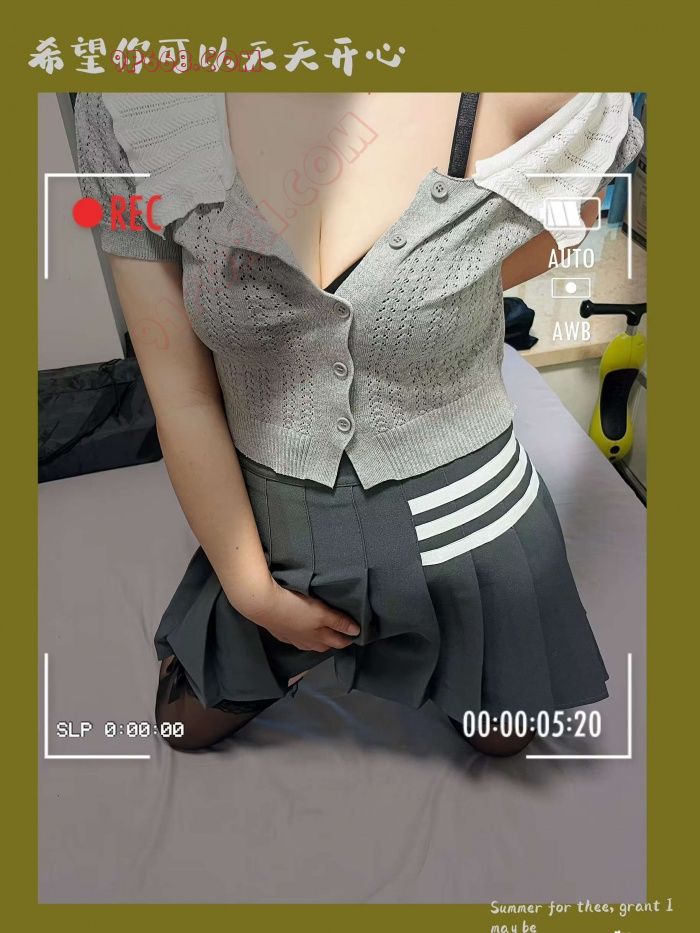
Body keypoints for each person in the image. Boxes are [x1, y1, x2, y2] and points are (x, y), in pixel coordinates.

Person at [74, 91, 643, 756]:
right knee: (182, 724)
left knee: (506, 739)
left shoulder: (552, 85)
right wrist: (252, 592)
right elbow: (180, 393)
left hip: (472, 530)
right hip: (273, 540)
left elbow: (569, 222)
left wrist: (455, 281)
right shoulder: (129, 105)